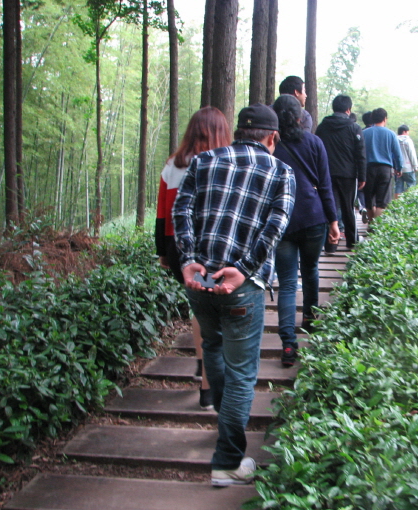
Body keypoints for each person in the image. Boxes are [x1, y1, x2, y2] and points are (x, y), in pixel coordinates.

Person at [172, 104, 295, 486]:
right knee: (242, 373)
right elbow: (275, 228)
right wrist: (243, 268)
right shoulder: (281, 171)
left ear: (240, 132)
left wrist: (188, 260)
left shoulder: (203, 161)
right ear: (272, 137)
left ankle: (227, 434)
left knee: (212, 345)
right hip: (242, 287)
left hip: (201, 282)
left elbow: (181, 212)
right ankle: (227, 461)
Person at [155, 106, 231, 410]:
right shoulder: (223, 164)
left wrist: (163, 252)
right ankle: (208, 388)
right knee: (213, 316)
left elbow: (162, 214)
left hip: (178, 249)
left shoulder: (172, 165)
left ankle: (202, 362)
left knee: (199, 308)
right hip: (210, 248)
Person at [273, 95, 339, 366]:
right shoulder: (314, 142)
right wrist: (333, 221)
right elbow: (325, 185)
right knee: (310, 270)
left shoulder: (271, 146)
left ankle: (288, 345)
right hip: (313, 217)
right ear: (300, 117)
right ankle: (310, 321)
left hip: (282, 221)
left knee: (287, 283)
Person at [315, 95, 367, 252]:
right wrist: (362, 176)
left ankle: (330, 245)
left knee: (329, 208)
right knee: (348, 208)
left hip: (327, 174)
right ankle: (352, 242)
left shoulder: (322, 127)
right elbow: (361, 154)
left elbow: (316, 151)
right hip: (348, 175)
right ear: (348, 110)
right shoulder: (354, 128)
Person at [362, 108, 403, 224]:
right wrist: (399, 168)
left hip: (368, 169)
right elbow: (397, 154)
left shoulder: (364, 133)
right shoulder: (391, 134)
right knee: (382, 202)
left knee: (369, 200)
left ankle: (371, 224)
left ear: (372, 119)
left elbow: (359, 153)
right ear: (385, 119)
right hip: (385, 170)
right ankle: (376, 228)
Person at [395, 124, 418, 198]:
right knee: (411, 185)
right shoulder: (408, 140)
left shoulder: (394, 140)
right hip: (408, 167)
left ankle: (397, 202)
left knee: (398, 186)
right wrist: (415, 166)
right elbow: (412, 154)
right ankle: (410, 202)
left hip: (397, 168)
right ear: (404, 131)